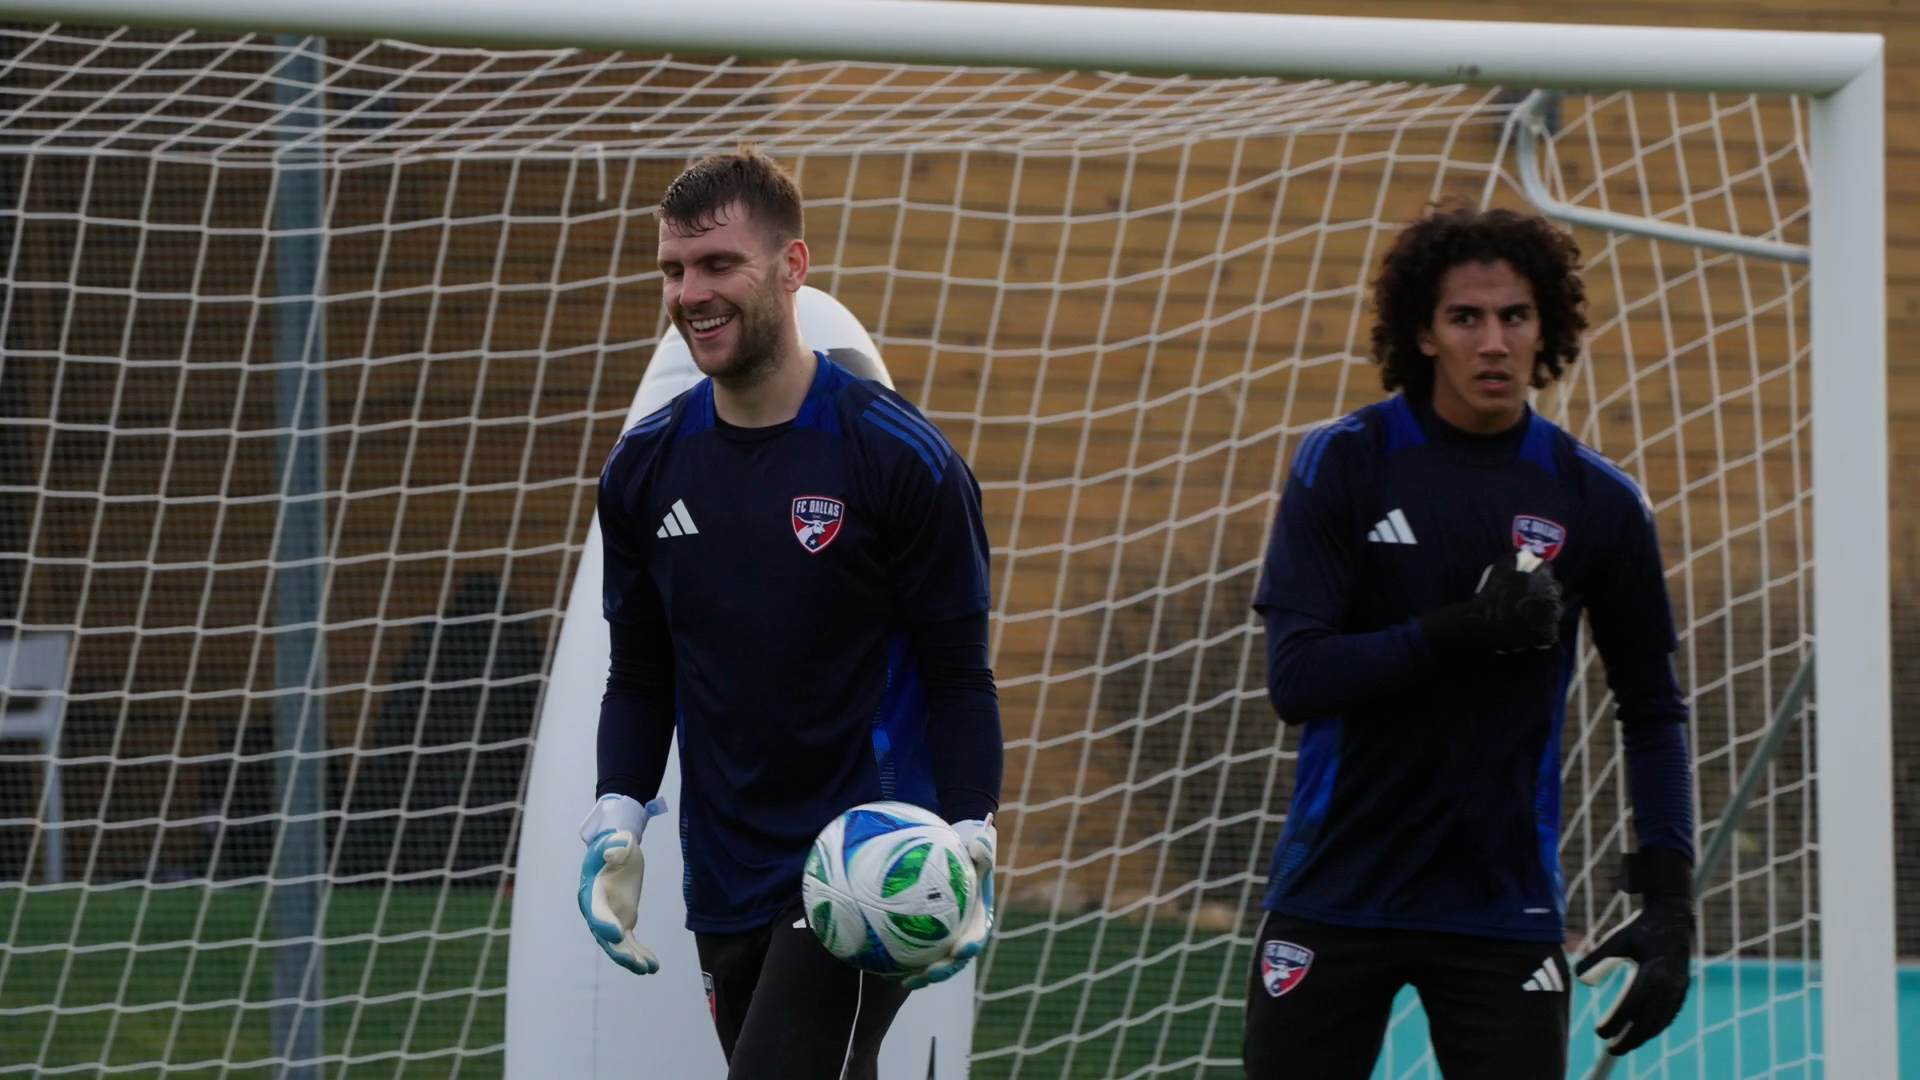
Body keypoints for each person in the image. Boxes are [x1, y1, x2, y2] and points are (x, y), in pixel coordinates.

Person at [575, 147, 1002, 1080]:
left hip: (862, 867)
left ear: (791, 267)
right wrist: (617, 810)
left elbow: (960, 676)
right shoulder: (643, 472)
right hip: (724, 878)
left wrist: (969, 833)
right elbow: (643, 675)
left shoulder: (901, 460)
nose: (692, 292)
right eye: (675, 270)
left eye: (719, 264)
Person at [1242, 203, 1696, 1079]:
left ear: (1545, 330)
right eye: (1466, 318)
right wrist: (1460, 631)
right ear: (1423, 333)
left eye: (1514, 317)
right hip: (1335, 897)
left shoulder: (1596, 498)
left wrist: (1670, 901)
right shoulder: (1345, 462)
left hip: (1502, 912)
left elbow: (1652, 710)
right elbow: (1297, 679)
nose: (1494, 341)